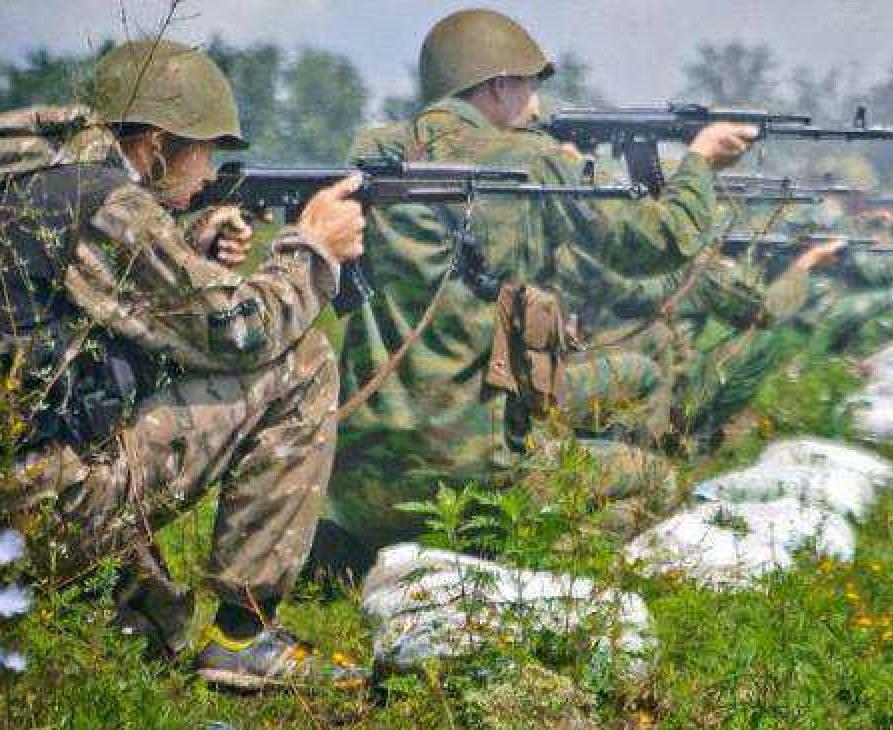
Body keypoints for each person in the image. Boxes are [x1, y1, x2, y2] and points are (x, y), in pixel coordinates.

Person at [1, 39, 366, 689]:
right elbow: (240, 334)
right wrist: (312, 251)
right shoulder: (112, 204)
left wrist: (187, 241)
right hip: (40, 506)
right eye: (207, 152)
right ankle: (244, 635)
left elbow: (78, 305)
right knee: (302, 357)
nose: (208, 176)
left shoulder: (34, 174)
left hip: (17, 479)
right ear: (159, 145)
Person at [326, 9, 757, 552]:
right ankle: (507, 564)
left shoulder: (374, 158)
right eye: (530, 86)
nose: (538, 105)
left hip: (355, 479)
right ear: (498, 84)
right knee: (655, 481)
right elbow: (659, 241)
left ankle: (357, 556)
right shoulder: (532, 162)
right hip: (467, 481)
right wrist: (698, 164)